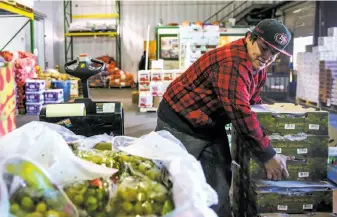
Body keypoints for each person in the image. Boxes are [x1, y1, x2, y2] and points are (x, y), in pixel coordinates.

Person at [155, 19, 292, 217]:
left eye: (274, 53)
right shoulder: (232, 63)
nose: (267, 57)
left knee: (219, 183)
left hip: (210, 124)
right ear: (250, 38)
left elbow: (251, 102)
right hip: (180, 122)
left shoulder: (257, 65)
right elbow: (240, 111)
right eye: (264, 48)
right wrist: (268, 154)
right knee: (174, 184)